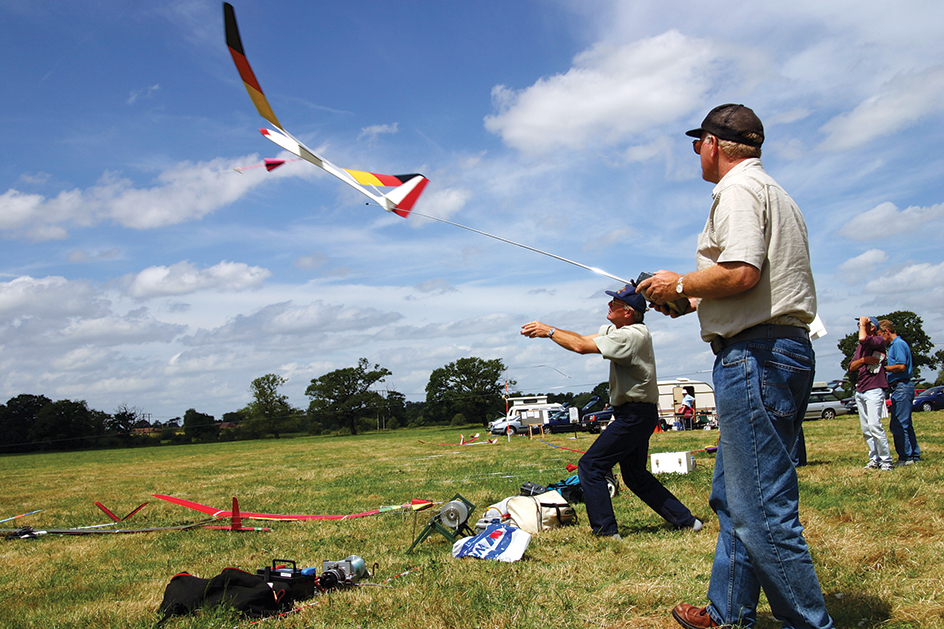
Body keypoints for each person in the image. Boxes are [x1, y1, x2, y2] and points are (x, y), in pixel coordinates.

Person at [636, 104, 833, 629]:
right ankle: (727, 613)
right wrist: (686, 300)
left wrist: (677, 282)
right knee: (735, 496)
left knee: (761, 510)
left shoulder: (737, 190)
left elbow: (741, 271)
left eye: (697, 142)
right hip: (777, 350)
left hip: (755, 357)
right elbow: (748, 283)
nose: (696, 152)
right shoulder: (776, 193)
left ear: (714, 144)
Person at [520, 285, 702, 539]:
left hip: (634, 415)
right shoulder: (624, 330)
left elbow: (581, 347)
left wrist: (548, 331)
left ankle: (606, 531)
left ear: (628, 313)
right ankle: (686, 521)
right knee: (635, 476)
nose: (609, 306)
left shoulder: (629, 337)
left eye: (615, 303)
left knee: (591, 466)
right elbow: (583, 338)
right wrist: (553, 331)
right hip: (637, 413)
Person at [849, 316, 893, 471]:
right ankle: (874, 459)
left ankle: (886, 460)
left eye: (861, 324)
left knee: (875, 426)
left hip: (874, 389)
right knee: (866, 428)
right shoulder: (861, 347)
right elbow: (852, 366)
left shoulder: (878, 341)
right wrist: (864, 360)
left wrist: (864, 323)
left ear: (872, 327)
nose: (859, 326)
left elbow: (862, 338)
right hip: (860, 389)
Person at [879, 320, 920, 465]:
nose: (880, 339)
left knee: (898, 424)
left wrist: (883, 368)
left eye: (880, 335)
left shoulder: (897, 345)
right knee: (906, 423)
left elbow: (901, 366)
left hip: (901, 386)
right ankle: (914, 455)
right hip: (901, 387)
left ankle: (906, 457)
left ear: (886, 332)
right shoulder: (896, 345)